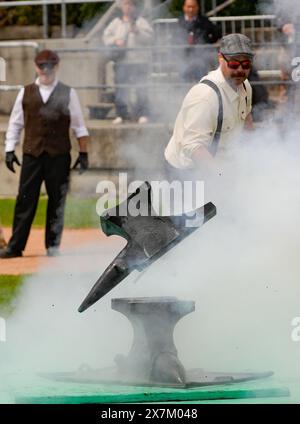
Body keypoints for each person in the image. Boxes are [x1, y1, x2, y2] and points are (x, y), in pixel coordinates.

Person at [0, 49, 89, 259]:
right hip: (32, 154)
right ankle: (15, 246)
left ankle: (53, 246)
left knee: (57, 201)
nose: (45, 71)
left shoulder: (69, 92)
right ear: (35, 67)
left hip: (59, 156)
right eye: (41, 66)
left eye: (49, 66)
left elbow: (79, 126)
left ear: (56, 67)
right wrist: (9, 149)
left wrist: (83, 153)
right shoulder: (26, 92)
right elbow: (15, 123)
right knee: (25, 200)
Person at [165, 33, 253, 174]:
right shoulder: (205, 96)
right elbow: (193, 147)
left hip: (219, 164)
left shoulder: (245, 86)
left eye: (246, 64)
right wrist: (221, 176)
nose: (240, 70)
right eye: (234, 64)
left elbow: (247, 117)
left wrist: (254, 155)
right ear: (220, 59)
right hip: (186, 171)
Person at [102, 0, 154, 124]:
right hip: (122, 62)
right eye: (125, 4)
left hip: (139, 61)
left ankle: (142, 113)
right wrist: (115, 41)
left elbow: (150, 38)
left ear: (134, 7)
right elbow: (105, 37)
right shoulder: (116, 22)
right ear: (121, 6)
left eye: (130, 4)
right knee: (121, 89)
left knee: (141, 88)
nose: (128, 7)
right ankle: (121, 114)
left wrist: (138, 32)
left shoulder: (141, 22)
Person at [174, 0, 221, 83]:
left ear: (197, 8)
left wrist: (207, 43)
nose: (191, 9)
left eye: (193, 7)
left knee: (201, 82)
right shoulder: (179, 22)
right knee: (184, 81)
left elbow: (216, 33)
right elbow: (175, 38)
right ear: (184, 8)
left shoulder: (204, 21)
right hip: (185, 58)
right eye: (189, 7)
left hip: (201, 58)